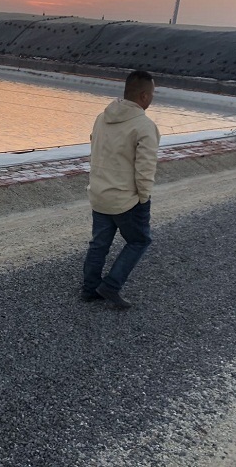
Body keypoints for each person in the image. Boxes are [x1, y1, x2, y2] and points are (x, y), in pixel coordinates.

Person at [81, 70, 160, 309]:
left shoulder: (101, 118)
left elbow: (95, 149)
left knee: (99, 244)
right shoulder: (144, 126)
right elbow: (145, 168)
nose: (152, 98)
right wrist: (144, 198)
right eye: (153, 93)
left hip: (99, 193)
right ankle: (111, 285)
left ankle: (89, 289)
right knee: (139, 240)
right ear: (144, 96)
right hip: (127, 199)